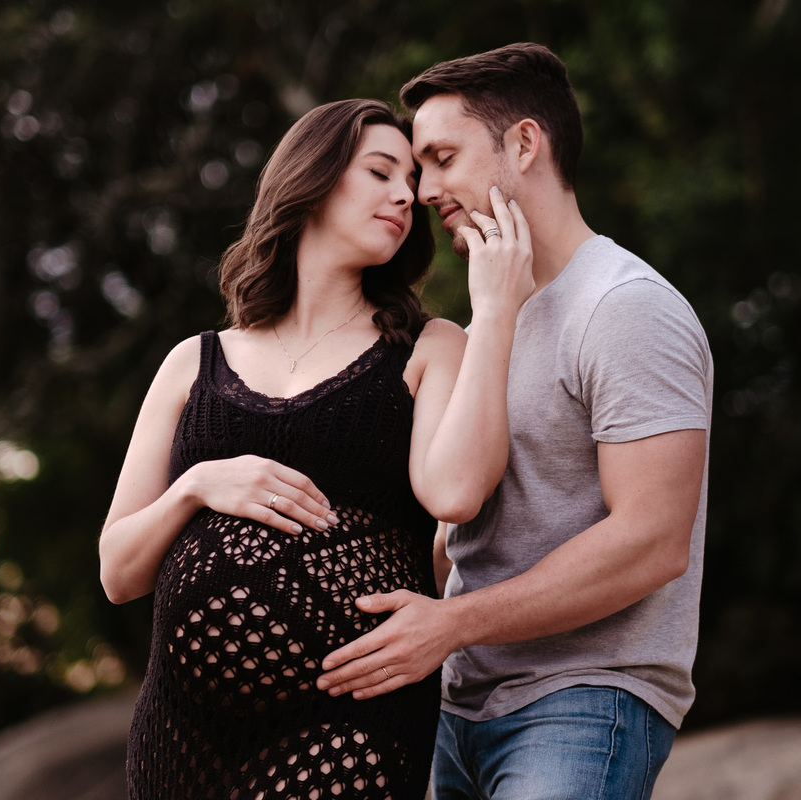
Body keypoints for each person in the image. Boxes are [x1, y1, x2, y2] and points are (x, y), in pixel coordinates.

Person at [98, 98, 533, 799]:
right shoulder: (192, 362)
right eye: (381, 171)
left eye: (412, 179)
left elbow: (455, 492)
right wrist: (197, 485)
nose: (407, 194)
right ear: (313, 178)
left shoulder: (430, 347)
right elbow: (118, 571)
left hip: (350, 720)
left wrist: (498, 311)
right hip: (183, 735)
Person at [317, 44, 714, 799]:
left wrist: (451, 623)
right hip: (456, 706)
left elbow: (653, 542)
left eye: (441, 157)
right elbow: (466, 528)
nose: (424, 189)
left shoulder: (626, 307)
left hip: (583, 701)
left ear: (524, 144)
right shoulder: (492, 312)